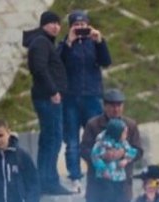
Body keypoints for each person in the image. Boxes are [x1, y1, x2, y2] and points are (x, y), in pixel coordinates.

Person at [58, 9, 111, 190]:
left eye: (83, 25)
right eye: (76, 25)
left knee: (97, 138)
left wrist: (100, 41)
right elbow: (58, 63)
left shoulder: (94, 43)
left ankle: (98, 174)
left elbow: (106, 61)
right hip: (70, 98)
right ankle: (75, 177)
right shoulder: (64, 44)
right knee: (72, 141)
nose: (80, 28)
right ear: (70, 27)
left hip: (92, 96)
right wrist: (69, 42)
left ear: (89, 25)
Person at [23, 10, 70, 195]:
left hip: (48, 97)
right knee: (53, 139)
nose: (56, 27)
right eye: (52, 23)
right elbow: (39, 68)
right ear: (43, 25)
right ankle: (49, 181)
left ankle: (45, 180)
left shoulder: (44, 42)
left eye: (58, 23)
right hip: (48, 97)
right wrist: (53, 91)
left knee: (49, 139)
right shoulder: (41, 42)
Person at [89, 117, 137, 202]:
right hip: (106, 174)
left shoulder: (123, 143)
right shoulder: (102, 143)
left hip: (119, 174)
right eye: (124, 133)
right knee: (107, 194)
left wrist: (125, 160)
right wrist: (102, 169)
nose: (125, 135)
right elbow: (95, 156)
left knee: (119, 195)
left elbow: (132, 151)